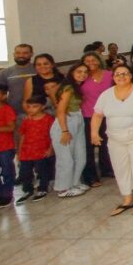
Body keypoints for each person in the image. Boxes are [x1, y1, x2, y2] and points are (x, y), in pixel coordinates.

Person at [91, 64, 133, 216]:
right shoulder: (106, 94)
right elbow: (97, 115)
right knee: (120, 166)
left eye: (125, 73)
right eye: (118, 74)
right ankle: (127, 198)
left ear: (131, 75)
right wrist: (94, 132)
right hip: (115, 136)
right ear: (113, 77)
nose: (121, 77)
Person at [51, 62, 90, 198]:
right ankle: (63, 188)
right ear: (72, 73)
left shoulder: (77, 87)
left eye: (85, 72)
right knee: (65, 158)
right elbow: (60, 111)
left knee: (80, 155)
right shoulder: (68, 88)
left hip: (77, 119)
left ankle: (74, 182)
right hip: (66, 123)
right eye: (79, 72)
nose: (82, 74)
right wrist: (64, 131)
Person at [80, 52, 114, 187]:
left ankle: (106, 168)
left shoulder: (109, 75)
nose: (90, 63)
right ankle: (90, 176)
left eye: (93, 60)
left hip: (108, 114)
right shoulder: (82, 76)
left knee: (106, 144)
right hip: (88, 115)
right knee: (89, 146)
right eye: (87, 61)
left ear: (99, 61)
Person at [16, 95, 55, 204]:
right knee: (25, 172)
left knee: (42, 170)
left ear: (42, 106)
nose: (31, 109)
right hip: (26, 151)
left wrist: (51, 149)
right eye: (29, 107)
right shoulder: (26, 120)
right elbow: (22, 135)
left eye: (35, 106)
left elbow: (53, 135)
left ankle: (43, 188)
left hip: (41, 151)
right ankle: (27, 189)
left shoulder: (48, 119)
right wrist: (19, 152)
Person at [0, 44, 35, 115]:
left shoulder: (39, 69)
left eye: (25, 53)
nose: (21, 55)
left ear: (31, 54)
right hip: (14, 113)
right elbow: (1, 95)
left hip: (39, 112)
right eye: (18, 53)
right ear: (14, 54)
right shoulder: (4, 72)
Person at [0, 85, 16, 207]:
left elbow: (11, 127)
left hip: (5, 146)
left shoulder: (6, 109)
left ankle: (7, 193)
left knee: (7, 171)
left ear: (3, 95)